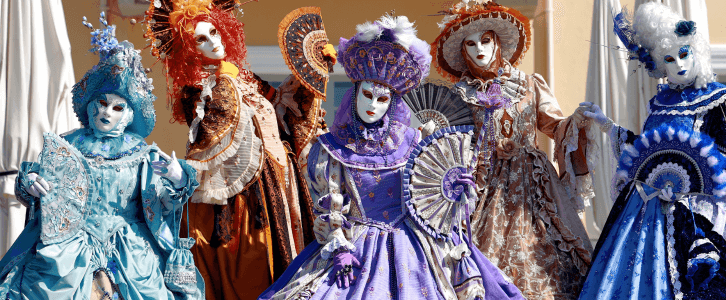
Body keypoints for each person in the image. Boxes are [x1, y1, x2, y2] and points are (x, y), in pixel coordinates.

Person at [258, 14, 524, 300]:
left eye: (382, 99)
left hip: (416, 247)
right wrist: (339, 246)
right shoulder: (331, 149)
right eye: (368, 95)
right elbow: (330, 210)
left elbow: (426, 194)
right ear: (354, 93)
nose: (373, 105)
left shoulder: (413, 142)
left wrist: (452, 187)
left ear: (393, 103)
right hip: (355, 245)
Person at [579, 2, 726, 299]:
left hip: (699, 210)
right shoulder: (660, 103)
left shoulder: (720, 100)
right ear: (659, 65)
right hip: (646, 207)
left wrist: (700, 196)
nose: (679, 64)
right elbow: (645, 151)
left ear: (696, 52)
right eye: (669, 59)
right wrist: (607, 125)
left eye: (684, 54)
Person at [0, 13, 203, 299]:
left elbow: (163, 205)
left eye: (117, 108)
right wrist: (31, 180)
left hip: (131, 251)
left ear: (129, 114)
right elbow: (40, 192)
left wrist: (178, 177)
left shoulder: (143, 155)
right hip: (69, 248)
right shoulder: (65, 147)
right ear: (90, 105)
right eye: (102, 103)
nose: (107, 112)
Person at [144, 1, 335, 298]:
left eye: (214, 32)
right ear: (189, 49)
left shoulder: (243, 77)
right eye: (200, 39)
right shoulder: (198, 88)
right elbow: (214, 129)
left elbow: (280, 108)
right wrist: (226, 79)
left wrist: (309, 75)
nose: (213, 42)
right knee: (256, 266)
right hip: (244, 195)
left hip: (282, 182)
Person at [430, 1, 597, 298]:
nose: (480, 49)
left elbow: (554, 126)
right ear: (463, 51)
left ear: (497, 43)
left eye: (485, 41)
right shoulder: (460, 96)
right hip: (483, 186)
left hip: (533, 185)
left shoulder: (529, 85)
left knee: (551, 254)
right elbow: (452, 144)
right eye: (471, 44)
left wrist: (576, 123)